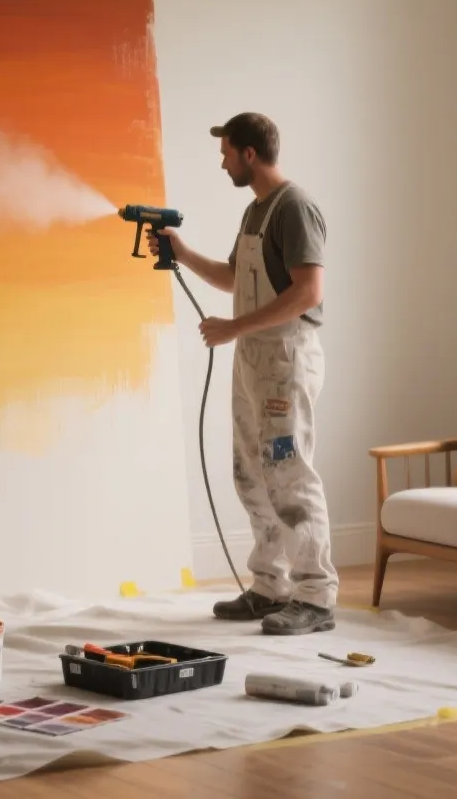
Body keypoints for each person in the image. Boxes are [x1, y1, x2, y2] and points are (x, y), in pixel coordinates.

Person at [150, 112, 338, 635]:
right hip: (253, 356)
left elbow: (308, 292)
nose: (222, 161)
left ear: (249, 154)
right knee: (249, 472)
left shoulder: (294, 207)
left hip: (284, 357)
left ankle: (315, 597)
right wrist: (181, 253)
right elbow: (235, 277)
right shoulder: (256, 211)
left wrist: (234, 328)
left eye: (226, 152)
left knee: (289, 475)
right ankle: (271, 586)